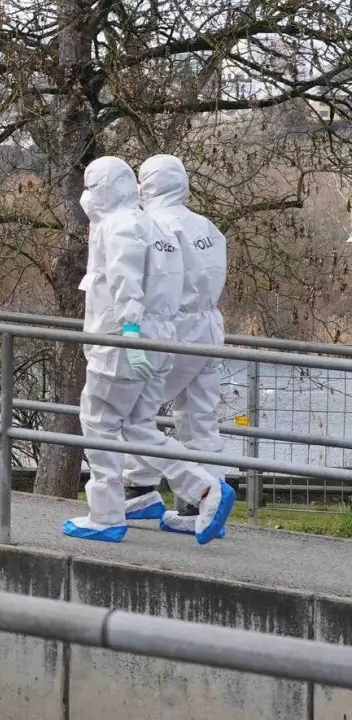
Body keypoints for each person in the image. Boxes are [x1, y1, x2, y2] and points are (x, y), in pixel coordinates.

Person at [63, 156, 234, 544]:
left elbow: (125, 286)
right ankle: (205, 489)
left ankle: (107, 513)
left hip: (128, 340)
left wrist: (130, 332)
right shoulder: (167, 227)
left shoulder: (126, 226)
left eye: (91, 189)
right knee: (152, 423)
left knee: (101, 423)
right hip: (176, 333)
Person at [120, 154, 230, 535]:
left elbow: (148, 284)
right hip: (209, 329)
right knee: (199, 418)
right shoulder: (207, 227)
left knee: (135, 412)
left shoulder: (149, 225)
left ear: (146, 184)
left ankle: (140, 490)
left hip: (171, 328)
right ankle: (202, 505)